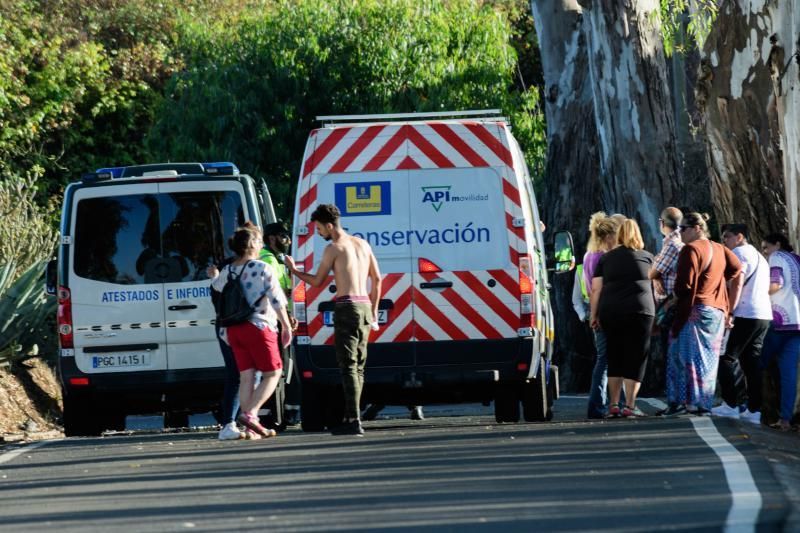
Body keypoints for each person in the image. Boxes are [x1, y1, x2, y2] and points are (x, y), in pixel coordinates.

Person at [284, 204, 382, 436]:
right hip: (365, 306)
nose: (318, 232)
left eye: (319, 228)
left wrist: (293, 270)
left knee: (347, 365)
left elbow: (317, 282)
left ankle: (353, 420)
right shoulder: (363, 244)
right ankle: (351, 415)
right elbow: (377, 280)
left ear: (329, 225)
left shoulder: (334, 248)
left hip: (346, 306)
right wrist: (374, 311)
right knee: (359, 366)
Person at [207, 223, 293, 439]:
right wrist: (286, 326)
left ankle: (248, 428)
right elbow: (276, 300)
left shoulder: (229, 269)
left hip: (233, 330)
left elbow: (217, 287)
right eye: (259, 241)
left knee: (246, 376)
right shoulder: (263, 268)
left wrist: (214, 275)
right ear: (253, 245)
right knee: (273, 373)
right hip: (259, 327)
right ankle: (251, 415)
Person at [663, 213, 742, 417]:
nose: (679, 232)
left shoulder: (690, 250)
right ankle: (701, 403)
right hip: (716, 312)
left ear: (697, 228)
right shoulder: (719, 248)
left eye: (683, 229)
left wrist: (673, 298)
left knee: (681, 356)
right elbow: (737, 268)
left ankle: (681, 402)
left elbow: (683, 286)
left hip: (693, 310)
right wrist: (717, 282)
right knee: (708, 359)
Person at [590, 219, 655, 418]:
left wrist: (594, 315)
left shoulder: (606, 259)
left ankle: (614, 405)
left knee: (615, 356)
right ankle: (630, 405)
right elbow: (658, 287)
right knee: (636, 358)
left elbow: (596, 289)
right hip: (641, 311)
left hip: (612, 311)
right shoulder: (648, 258)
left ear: (618, 235)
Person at [712, 224, 771, 423]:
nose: (724, 242)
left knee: (726, 357)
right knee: (751, 362)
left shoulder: (739, 252)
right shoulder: (759, 256)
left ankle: (730, 404)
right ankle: (754, 410)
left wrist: (729, 310)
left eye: (727, 237)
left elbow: (737, 281)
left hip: (745, 313)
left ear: (739, 236)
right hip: (763, 314)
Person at [582, 212, 624, 418]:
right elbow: (600, 288)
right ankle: (599, 404)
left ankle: (607, 403)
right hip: (606, 310)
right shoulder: (604, 257)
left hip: (597, 310)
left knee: (606, 358)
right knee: (608, 359)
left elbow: (590, 288)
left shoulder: (589, 255)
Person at [260, 222, 301, 426]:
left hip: (279, 320)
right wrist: (286, 318)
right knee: (278, 368)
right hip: (274, 322)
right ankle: (273, 416)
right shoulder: (268, 260)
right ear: (272, 238)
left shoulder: (277, 259)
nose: (289, 241)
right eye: (284, 237)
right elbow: (275, 296)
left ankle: (280, 414)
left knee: (282, 368)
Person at [760, 233, 800, 431]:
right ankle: (785, 419)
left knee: (756, 363)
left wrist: (758, 293)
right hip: (797, 323)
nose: (765, 252)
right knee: (789, 373)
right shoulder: (797, 259)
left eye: (766, 247)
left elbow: (776, 284)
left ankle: (746, 408)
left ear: (777, 244)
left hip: (779, 320)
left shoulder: (777, 257)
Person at [210, 253, 244, 440]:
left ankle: (232, 421)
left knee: (236, 375)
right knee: (245, 374)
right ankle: (239, 419)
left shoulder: (219, 280)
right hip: (239, 326)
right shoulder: (243, 272)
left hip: (224, 326)